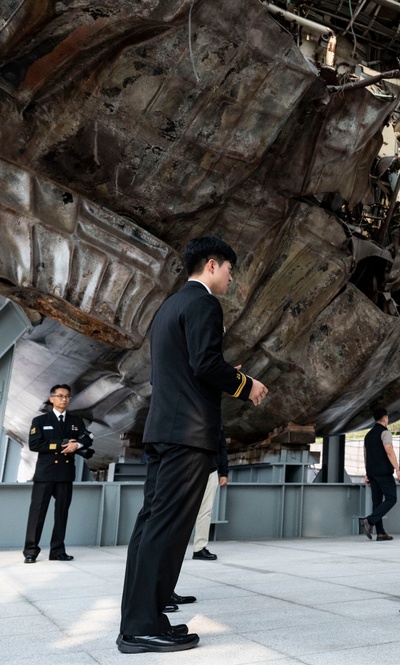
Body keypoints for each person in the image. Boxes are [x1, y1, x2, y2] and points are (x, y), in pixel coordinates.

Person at [118, 237, 269, 654]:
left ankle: (143, 617)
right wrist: (246, 384)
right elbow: (204, 363)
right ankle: (141, 626)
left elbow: (182, 368)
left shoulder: (169, 306)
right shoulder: (204, 304)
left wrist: (220, 370)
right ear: (212, 265)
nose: (231, 277)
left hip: (163, 429)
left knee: (152, 524)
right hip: (187, 433)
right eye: (230, 270)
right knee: (167, 528)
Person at [23, 384, 93, 564]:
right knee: (37, 514)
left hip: (65, 474)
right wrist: (60, 444)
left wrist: (76, 445)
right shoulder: (40, 421)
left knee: (61, 513)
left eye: (67, 396)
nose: (64, 399)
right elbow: (35, 444)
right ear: (52, 398)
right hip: (45, 474)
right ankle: (31, 551)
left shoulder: (76, 421)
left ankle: (57, 551)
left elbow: (87, 438)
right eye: (60, 396)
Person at [360, 408, 400, 541]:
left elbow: (366, 455)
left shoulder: (368, 435)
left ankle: (380, 533)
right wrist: (397, 469)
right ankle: (369, 521)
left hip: (372, 473)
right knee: (391, 498)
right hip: (384, 472)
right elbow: (389, 450)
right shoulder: (385, 433)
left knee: (377, 503)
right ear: (385, 418)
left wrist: (367, 473)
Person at [191, 429, 229, 561]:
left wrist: (224, 472)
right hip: (189, 469)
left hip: (210, 471)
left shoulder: (217, 422)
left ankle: (200, 548)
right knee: (180, 510)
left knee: (205, 511)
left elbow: (222, 447)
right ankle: (170, 547)